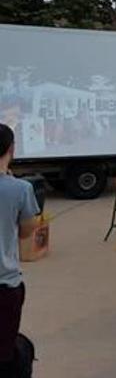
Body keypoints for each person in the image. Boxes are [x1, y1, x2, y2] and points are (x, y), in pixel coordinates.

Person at [0, 124, 38, 375]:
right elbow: (26, 232)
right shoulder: (20, 189)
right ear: (11, 149)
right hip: (5, 286)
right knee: (3, 354)